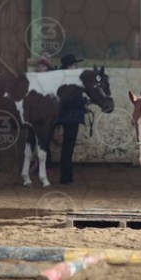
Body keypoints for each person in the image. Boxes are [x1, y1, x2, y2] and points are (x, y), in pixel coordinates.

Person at [57, 54, 85, 185]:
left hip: (67, 116)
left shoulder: (63, 79)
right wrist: (83, 101)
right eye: (74, 65)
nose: (76, 67)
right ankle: (66, 177)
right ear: (68, 66)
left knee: (67, 147)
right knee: (68, 147)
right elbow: (69, 100)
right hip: (70, 117)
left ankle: (66, 176)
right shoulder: (69, 81)